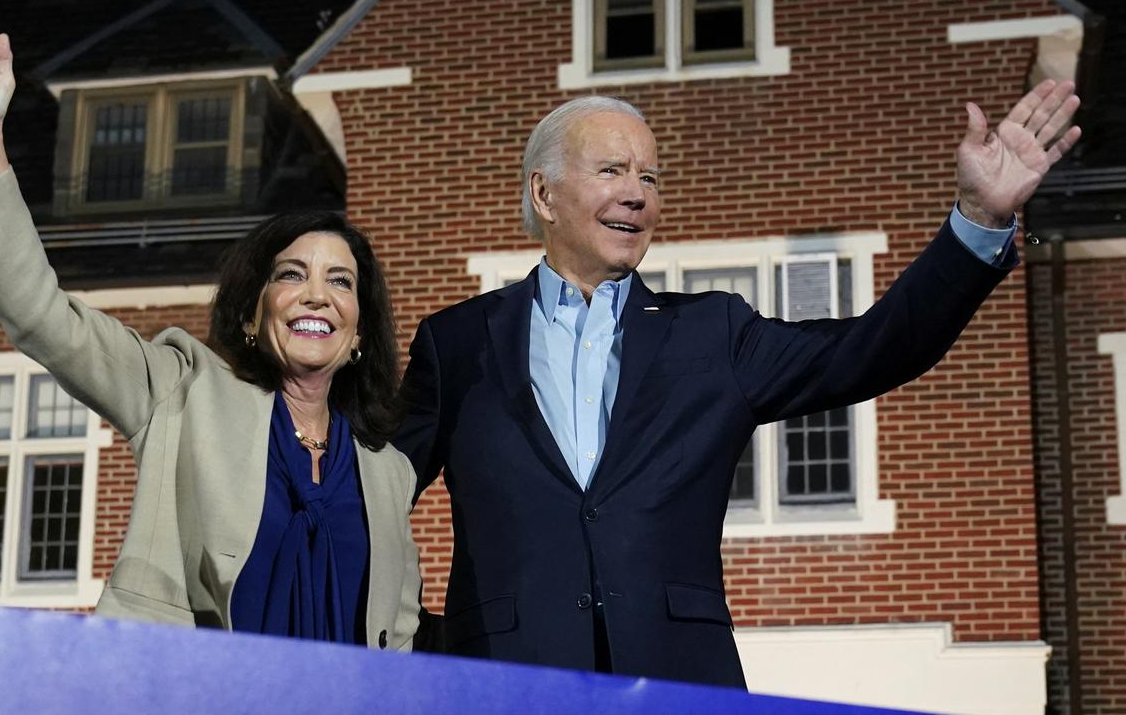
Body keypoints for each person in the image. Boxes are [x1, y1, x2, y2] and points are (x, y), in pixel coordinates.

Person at [394, 88, 1081, 685]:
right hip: (505, 685)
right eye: (612, 170)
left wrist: (979, 221)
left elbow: (875, 348)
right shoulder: (457, 344)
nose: (639, 193)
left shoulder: (713, 335)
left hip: (680, 681)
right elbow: (373, 493)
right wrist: (414, 632)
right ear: (544, 193)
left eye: (651, 177)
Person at [0, 4, 421, 649]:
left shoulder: (389, 471)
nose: (316, 296)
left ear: (361, 332)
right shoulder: (179, 390)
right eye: (292, 275)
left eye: (340, 282)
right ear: (252, 315)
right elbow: (42, 317)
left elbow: (397, 636)